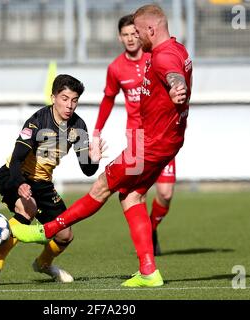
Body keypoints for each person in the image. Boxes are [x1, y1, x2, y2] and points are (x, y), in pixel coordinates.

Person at [11, 4, 192, 288]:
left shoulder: (163, 56)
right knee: (131, 197)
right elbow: (171, 70)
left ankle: (46, 230)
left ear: (151, 30)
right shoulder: (177, 48)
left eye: (138, 33)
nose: (136, 38)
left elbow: (172, 74)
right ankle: (148, 271)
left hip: (148, 145)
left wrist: (176, 84)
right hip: (166, 142)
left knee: (102, 186)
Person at [0, 74, 104, 285]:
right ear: (53, 97)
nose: (69, 105)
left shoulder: (78, 126)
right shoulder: (37, 121)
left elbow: (87, 170)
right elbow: (17, 157)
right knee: (27, 209)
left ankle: (43, 264)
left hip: (43, 184)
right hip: (14, 175)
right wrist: (20, 184)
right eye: (64, 98)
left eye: (74, 100)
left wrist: (94, 159)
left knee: (65, 235)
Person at [93, 14, 178, 257]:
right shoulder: (116, 68)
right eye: (125, 35)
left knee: (166, 193)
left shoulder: (156, 58)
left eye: (134, 33)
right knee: (136, 193)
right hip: (138, 139)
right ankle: (146, 250)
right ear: (120, 38)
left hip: (162, 134)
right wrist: (97, 132)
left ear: (140, 34)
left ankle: (152, 228)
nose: (130, 39)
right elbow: (108, 99)